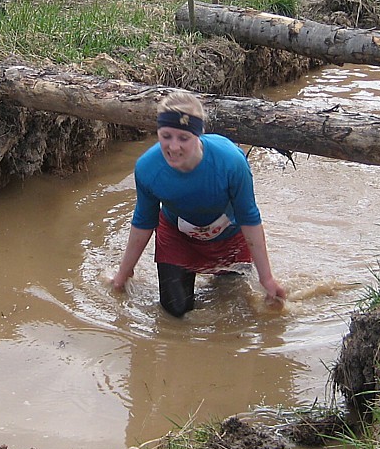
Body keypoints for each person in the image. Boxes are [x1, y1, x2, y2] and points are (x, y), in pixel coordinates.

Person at [111, 91, 287, 318]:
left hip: (230, 236)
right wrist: (123, 274)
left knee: (232, 306)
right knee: (175, 311)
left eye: (183, 138)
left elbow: (249, 217)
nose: (173, 148)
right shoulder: (147, 168)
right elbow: (144, 222)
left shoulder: (230, 161)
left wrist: (267, 279)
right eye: (166, 136)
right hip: (178, 237)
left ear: (199, 134)